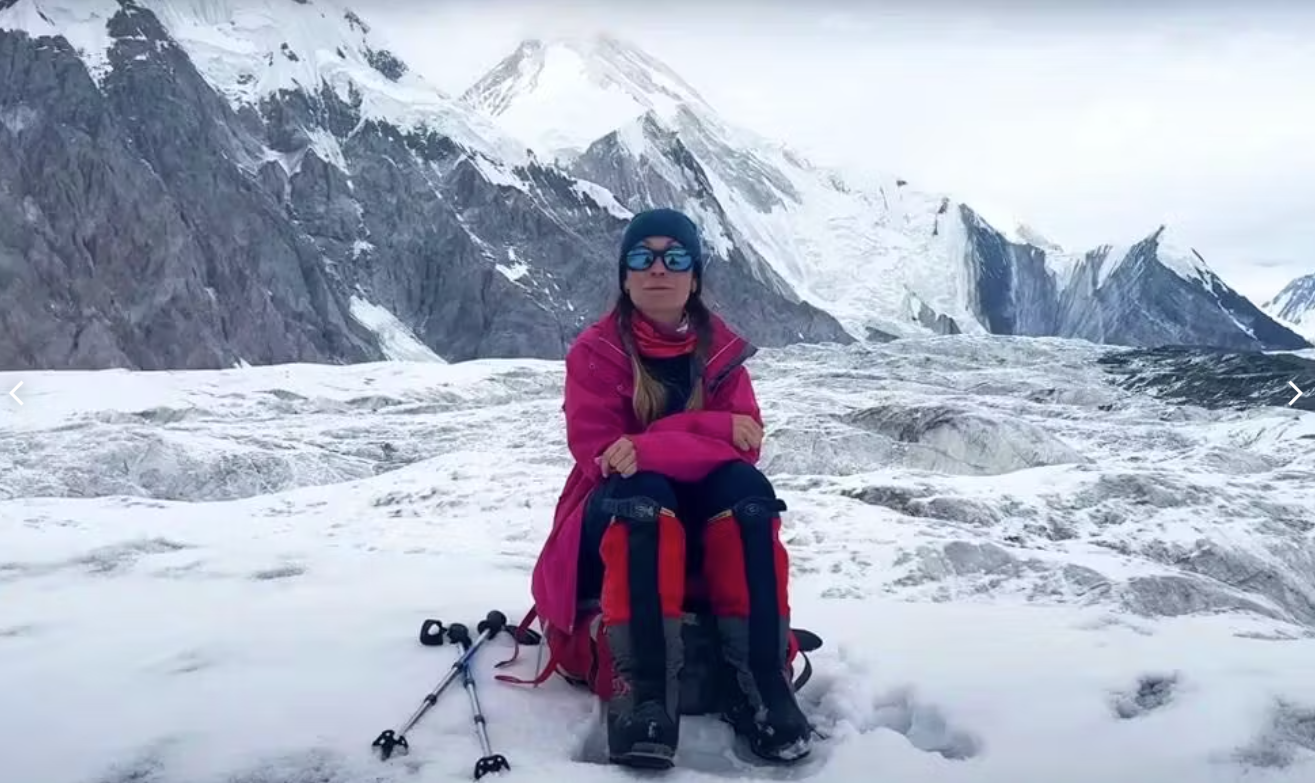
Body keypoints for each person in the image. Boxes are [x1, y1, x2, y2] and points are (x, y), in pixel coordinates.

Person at [525, 208, 813, 769]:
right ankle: (644, 696)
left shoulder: (723, 353)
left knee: (745, 491)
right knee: (645, 494)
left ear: (695, 275)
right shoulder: (594, 353)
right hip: (610, 515)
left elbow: (745, 446)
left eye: (675, 257)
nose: (659, 269)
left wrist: (657, 443)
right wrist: (711, 431)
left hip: (698, 511)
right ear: (625, 276)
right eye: (643, 257)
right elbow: (604, 456)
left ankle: (762, 684)